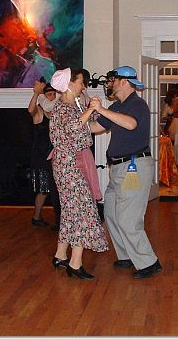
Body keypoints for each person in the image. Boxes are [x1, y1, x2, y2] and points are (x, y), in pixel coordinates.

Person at [89, 66, 162, 279]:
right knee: (111, 213)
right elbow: (96, 127)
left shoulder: (137, 104)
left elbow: (130, 124)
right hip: (118, 168)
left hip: (134, 167)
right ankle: (127, 255)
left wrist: (101, 109)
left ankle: (149, 262)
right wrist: (80, 118)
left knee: (128, 218)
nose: (109, 83)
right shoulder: (117, 106)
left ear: (124, 82)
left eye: (113, 80)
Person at [49, 68, 108, 280]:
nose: (84, 87)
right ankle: (75, 264)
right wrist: (90, 110)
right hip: (69, 164)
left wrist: (96, 110)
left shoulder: (73, 106)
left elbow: (87, 126)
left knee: (71, 210)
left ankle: (60, 255)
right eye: (82, 82)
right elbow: (75, 127)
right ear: (70, 83)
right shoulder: (63, 108)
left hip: (72, 162)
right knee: (82, 210)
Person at [27, 81, 60, 228]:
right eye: (48, 94)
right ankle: (36, 217)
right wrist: (36, 93)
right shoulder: (40, 111)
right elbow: (30, 110)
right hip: (41, 154)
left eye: (53, 94)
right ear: (44, 96)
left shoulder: (58, 111)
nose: (52, 96)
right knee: (44, 188)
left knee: (56, 188)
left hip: (55, 154)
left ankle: (58, 219)